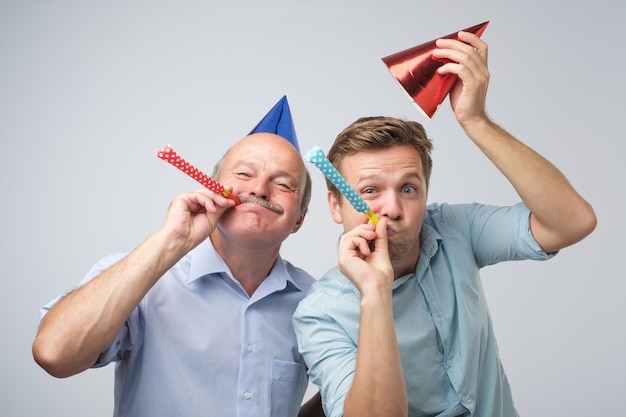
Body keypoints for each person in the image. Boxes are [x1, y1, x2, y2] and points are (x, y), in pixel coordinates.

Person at [292, 32, 597, 417]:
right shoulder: (320, 313)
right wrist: (376, 293)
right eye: (369, 191)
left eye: (408, 188)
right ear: (336, 206)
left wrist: (476, 121)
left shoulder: (454, 228)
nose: (391, 208)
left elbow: (573, 222)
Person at [33, 96, 324, 417]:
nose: (258, 189)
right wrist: (169, 242)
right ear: (212, 187)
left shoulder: (317, 303)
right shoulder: (140, 276)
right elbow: (53, 355)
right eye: (243, 174)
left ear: (299, 219)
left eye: (283, 183)